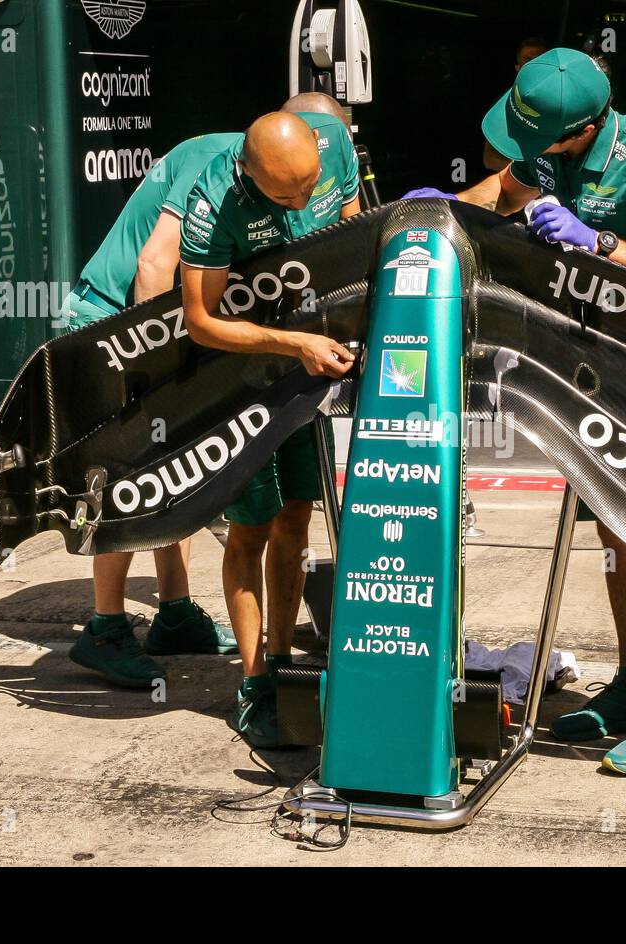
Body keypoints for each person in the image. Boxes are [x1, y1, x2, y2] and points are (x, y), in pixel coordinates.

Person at [404, 48, 626, 776]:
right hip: (587, 370)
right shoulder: (542, 153)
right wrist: (430, 211)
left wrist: (599, 243)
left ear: (581, 130)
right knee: (616, 530)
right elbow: (491, 195)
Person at [178, 110, 361, 747]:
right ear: (247, 174)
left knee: (297, 518)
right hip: (245, 378)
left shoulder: (333, 147)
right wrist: (290, 341)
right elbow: (200, 321)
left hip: (307, 371)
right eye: (286, 195)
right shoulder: (213, 199)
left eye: (309, 184)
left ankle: (284, 659)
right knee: (250, 528)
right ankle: (254, 682)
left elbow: (351, 230)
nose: (302, 200)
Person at [60, 134, 241, 689]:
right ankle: (105, 627)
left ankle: (175, 612)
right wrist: (155, 377)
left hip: (146, 325)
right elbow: (154, 264)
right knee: (127, 478)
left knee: (176, 472)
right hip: (113, 326)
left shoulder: (250, 163)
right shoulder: (223, 165)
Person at [482, 36, 550, 172]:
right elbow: (490, 160)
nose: (535, 65)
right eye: (528, 60)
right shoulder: (506, 103)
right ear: (518, 67)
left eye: (541, 59)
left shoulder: (563, 101)